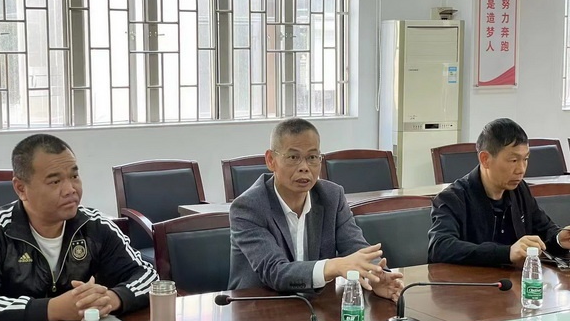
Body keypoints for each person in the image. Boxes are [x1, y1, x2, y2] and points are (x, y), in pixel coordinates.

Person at [0, 134, 158, 321]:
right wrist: (51, 309)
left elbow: (150, 277)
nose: (70, 190)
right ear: (21, 189)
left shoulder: (95, 225)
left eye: (74, 177)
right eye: (55, 181)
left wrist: (111, 299)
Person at [228, 118, 403, 301]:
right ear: (271, 160)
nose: (304, 168)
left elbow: (355, 247)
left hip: (315, 305)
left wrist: (377, 277)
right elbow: (275, 271)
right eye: (293, 157)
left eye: (312, 157)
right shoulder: (248, 207)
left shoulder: (331, 196)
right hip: (258, 306)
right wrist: (334, 266)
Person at [428, 118, 570, 267]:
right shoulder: (453, 198)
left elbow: (544, 229)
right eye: (513, 160)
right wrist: (506, 253)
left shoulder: (520, 190)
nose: (521, 169)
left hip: (514, 279)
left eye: (526, 159)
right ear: (485, 159)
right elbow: (440, 246)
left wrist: (559, 239)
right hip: (472, 280)